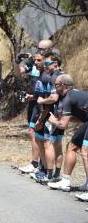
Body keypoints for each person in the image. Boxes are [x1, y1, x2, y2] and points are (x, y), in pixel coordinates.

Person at [47, 74, 88, 200]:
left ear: (64, 86)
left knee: (85, 152)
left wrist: (54, 121)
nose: (54, 88)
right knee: (72, 146)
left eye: (56, 85)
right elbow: (77, 117)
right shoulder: (71, 95)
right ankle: (66, 181)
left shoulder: (67, 98)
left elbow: (63, 125)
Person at [29, 52, 65, 183]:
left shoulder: (55, 77)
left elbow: (53, 98)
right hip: (58, 114)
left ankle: (48, 175)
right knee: (56, 144)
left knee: (48, 143)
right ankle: (54, 174)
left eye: (47, 63)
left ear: (55, 64)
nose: (45, 65)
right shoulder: (59, 75)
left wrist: (42, 102)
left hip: (54, 115)